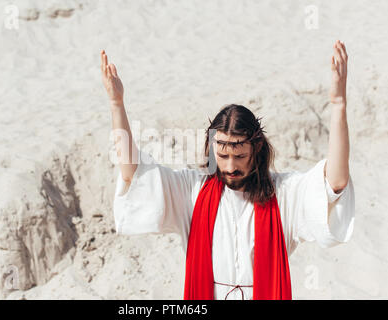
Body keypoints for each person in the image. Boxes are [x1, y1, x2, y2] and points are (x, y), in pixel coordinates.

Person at [100, 40, 355, 300]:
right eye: (222, 156)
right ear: (212, 150)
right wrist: (116, 105)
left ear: (256, 150)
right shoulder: (191, 190)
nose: (231, 166)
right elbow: (133, 173)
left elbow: (335, 182)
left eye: (240, 156)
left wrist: (338, 104)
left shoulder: (283, 193)